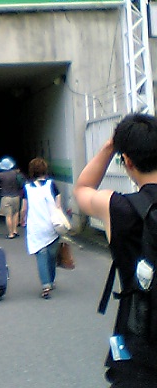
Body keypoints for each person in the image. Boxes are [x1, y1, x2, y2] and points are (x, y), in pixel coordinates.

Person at [74, 113, 157, 387]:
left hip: (140, 339)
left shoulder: (118, 208)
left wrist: (110, 146)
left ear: (127, 161)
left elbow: (83, 188)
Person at [21, 157, 61, 299]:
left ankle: (45, 286)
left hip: (36, 227)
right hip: (52, 226)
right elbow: (58, 206)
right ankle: (51, 280)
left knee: (41, 256)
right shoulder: (52, 185)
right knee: (52, 257)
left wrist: (22, 219)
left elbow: (24, 208)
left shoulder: (27, 188)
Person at [0, 156, 24, 238]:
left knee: (8, 216)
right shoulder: (16, 174)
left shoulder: (0, 175)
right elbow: (21, 184)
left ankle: (10, 233)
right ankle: (15, 230)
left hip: (5, 197)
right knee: (15, 214)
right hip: (16, 196)